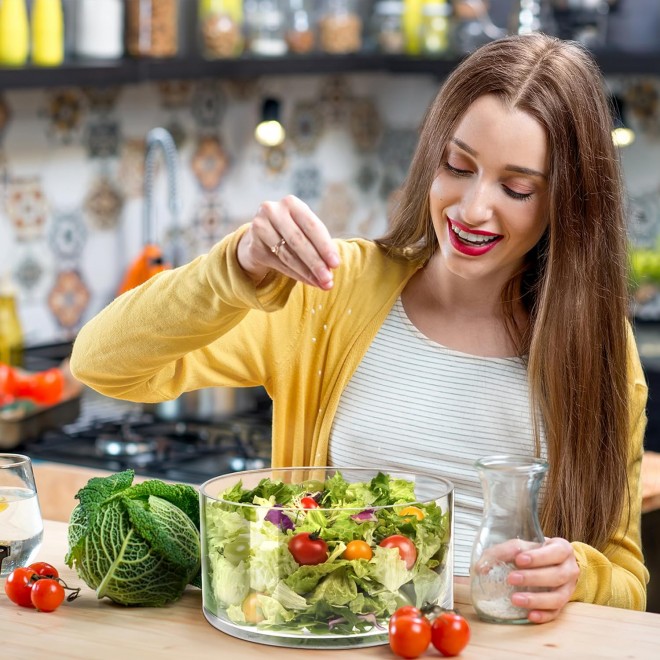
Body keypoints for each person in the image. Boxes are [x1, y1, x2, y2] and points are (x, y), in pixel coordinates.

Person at [70, 33, 649, 622]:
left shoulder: (598, 350)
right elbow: (101, 363)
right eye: (457, 165)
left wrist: (580, 573)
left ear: (566, 205)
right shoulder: (330, 292)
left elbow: (627, 578)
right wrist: (235, 266)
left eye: (517, 188)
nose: (472, 208)